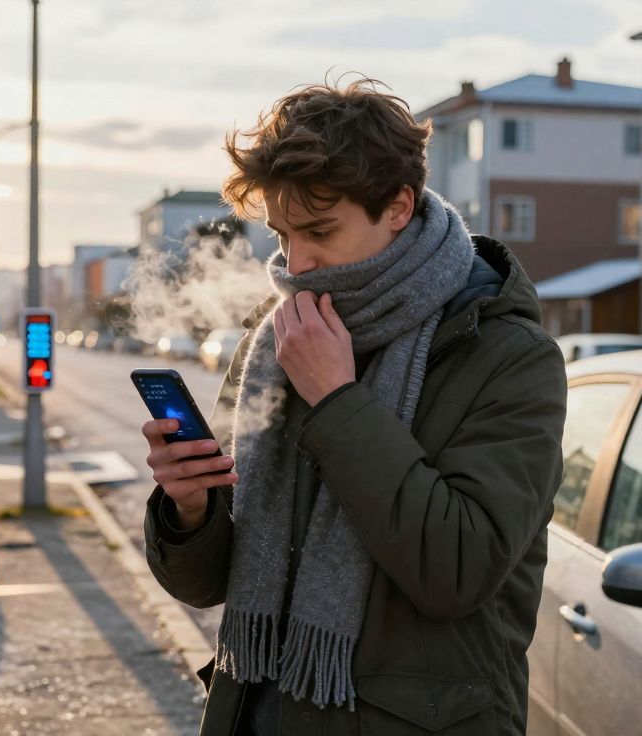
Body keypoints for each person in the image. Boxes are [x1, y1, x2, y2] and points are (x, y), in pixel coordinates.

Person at [140, 77, 567, 735]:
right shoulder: (274, 337)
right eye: (282, 236)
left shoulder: (508, 354)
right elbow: (212, 583)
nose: (297, 265)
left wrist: (337, 399)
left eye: (319, 231)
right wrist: (189, 509)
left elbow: (458, 570)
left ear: (397, 206)